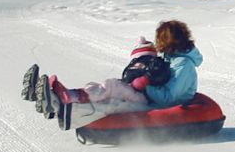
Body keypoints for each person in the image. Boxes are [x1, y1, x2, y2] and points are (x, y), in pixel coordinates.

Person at [40, 20, 203, 124]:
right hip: (150, 99)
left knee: (114, 96)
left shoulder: (183, 65)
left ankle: (69, 101)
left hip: (163, 107)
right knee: (111, 89)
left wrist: (144, 85)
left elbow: (168, 98)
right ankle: (61, 100)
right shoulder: (171, 58)